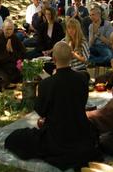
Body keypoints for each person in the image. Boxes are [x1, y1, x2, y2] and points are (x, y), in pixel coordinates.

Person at [5, 42, 102, 170]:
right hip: (79, 132)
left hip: (56, 137)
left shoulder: (46, 84)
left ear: (54, 59)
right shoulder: (82, 79)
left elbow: (41, 111)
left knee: (15, 138)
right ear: (71, 57)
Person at [0, 19, 25, 88]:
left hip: (13, 67)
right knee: (3, 79)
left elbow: (23, 53)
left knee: (24, 76)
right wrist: (6, 53)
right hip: (0, 67)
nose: (9, 31)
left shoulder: (15, 38)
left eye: (11, 29)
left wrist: (12, 51)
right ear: (3, 29)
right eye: (7, 29)